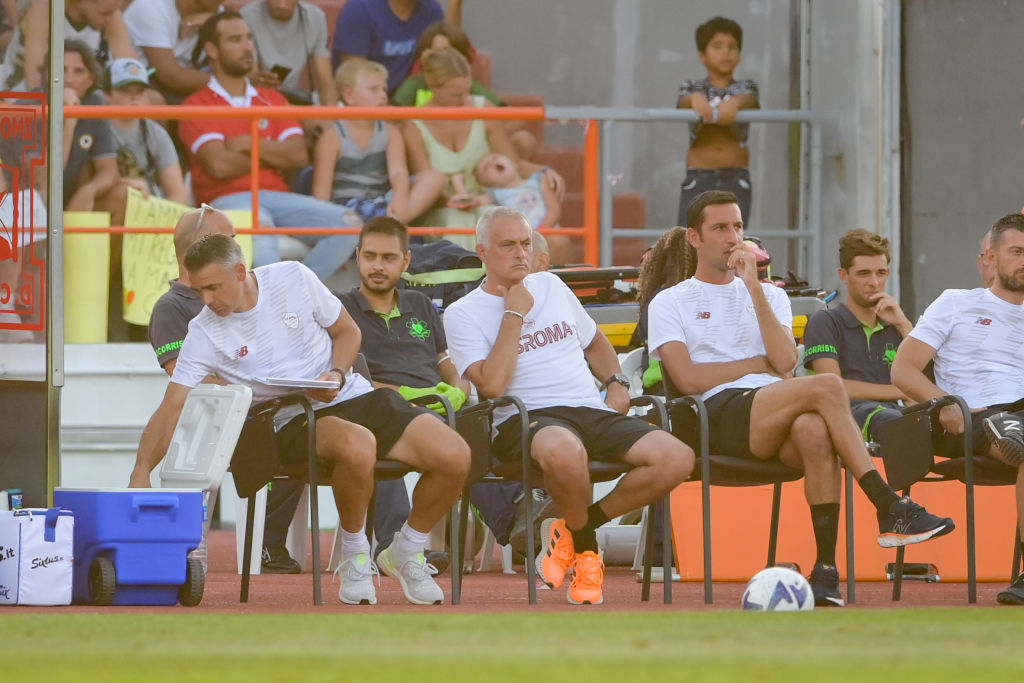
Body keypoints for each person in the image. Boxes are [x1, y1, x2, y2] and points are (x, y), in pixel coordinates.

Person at [646, 190, 954, 607]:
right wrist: (755, 361)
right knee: (827, 385)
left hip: (770, 407)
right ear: (694, 238)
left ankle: (825, 572)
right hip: (710, 418)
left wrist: (753, 287)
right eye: (719, 228)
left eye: (737, 227)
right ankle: (888, 504)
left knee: (813, 430)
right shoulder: (671, 300)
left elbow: (787, 360)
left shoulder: (770, 296)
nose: (732, 237)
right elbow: (687, 379)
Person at [130, 232, 470, 605]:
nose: (207, 301)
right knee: (358, 444)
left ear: (241, 271)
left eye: (213, 288)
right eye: (199, 291)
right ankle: (355, 556)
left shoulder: (293, 276)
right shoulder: (202, 331)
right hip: (283, 420)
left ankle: (406, 549)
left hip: (348, 392)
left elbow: (347, 332)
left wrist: (337, 374)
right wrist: (141, 472)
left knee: (454, 454)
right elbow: (172, 407)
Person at [444, 206, 695, 605]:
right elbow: (492, 384)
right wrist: (513, 312)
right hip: (525, 419)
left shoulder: (554, 287)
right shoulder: (463, 313)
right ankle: (589, 552)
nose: (520, 254)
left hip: (587, 409)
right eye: (508, 245)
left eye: (525, 244)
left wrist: (616, 380)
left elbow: (595, 343)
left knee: (677, 457)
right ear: (482, 252)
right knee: (565, 451)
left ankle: (572, 529)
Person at [339, 216, 551, 559]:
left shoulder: (420, 304)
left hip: (440, 405)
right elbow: (344, 374)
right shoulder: (341, 308)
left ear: (406, 261)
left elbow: (443, 358)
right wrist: (396, 393)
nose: (378, 266)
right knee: (380, 432)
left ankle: (519, 522)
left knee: (479, 425)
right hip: (380, 405)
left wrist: (458, 385)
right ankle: (396, 543)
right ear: (358, 256)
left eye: (389, 258)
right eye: (370, 256)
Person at [146, 206, 305, 574]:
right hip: (211, 422)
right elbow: (185, 379)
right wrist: (255, 387)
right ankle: (213, 542)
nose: (238, 245)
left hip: (266, 412)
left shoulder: (249, 295)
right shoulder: (171, 309)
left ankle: (269, 540)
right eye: (229, 238)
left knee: (307, 429)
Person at [891, 213, 1024, 605]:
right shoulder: (957, 303)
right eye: (1016, 251)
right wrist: (942, 401)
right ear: (992, 257)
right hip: (972, 416)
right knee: (1011, 429)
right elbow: (903, 369)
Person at [178, 11, 361, 282]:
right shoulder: (196, 105)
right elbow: (219, 166)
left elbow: (298, 155)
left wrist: (247, 144)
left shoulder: (272, 99)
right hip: (227, 199)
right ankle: (275, 311)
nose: (247, 46)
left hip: (276, 196)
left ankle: (295, 293)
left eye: (249, 38)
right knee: (261, 236)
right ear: (212, 50)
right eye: (235, 39)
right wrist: (273, 153)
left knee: (351, 226)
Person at [403, 47, 563, 249]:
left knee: (495, 219)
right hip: (442, 210)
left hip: (488, 202)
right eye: (455, 95)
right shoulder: (414, 124)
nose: (463, 100)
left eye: (466, 91)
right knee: (456, 221)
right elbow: (424, 184)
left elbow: (513, 163)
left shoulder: (483, 107)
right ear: (432, 86)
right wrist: (457, 200)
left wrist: (544, 171)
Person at [803, 229, 913, 443]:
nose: (874, 282)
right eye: (864, 273)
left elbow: (922, 384)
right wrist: (900, 391)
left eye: (881, 273)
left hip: (896, 416)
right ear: (843, 276)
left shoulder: (896, 326)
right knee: (892, 421)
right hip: (847, 415)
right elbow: (832, 387)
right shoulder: (824, 322)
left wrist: (903, 323)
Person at [311, 58, 444, 225]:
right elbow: (321, 196)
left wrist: (400, 199)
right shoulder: (333, 137)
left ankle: (394, 223)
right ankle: (387, 228)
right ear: (349, 95)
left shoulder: (389, 131)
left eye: (384, 89)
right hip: (347, 210)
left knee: (434, 177)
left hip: (383, 204)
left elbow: (398, 172)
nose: (382, 95)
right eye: (373, 89)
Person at [391, 21, 535, 160]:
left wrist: (483, 137)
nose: (446, 59)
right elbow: (390, 118)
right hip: (425, 153)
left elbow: (516, 118)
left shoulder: (469, 86)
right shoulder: (414, 85)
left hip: (468, 153)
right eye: (438, 53)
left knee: (524, 139)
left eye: (450, 53)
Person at [676, 16, 759, 226]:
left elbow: (751, 99)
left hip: (735, 175)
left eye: (732, 47)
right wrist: (695, 100)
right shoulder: (692, 87)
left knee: (734, 237)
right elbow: (682, 102)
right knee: (690, 237)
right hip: (699, 175)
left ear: (739, 55)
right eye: (717, 46)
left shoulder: (745, 87)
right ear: (702, 55)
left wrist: (736, 103)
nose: (725, 52)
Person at [97, 58, 188, 225]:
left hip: (148, 214)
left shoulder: (156, 133)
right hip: (105, 210)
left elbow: (177, 192)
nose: (134, 97)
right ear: (107, 94)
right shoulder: (95, 127)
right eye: (125, 90)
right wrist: (127, 184)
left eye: (140, 91)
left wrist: (163, 222)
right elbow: (89, 182)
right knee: (122, 195)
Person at [330, 0, 461, 95]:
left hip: (408, 101)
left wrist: (455, 3)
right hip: (368, 106)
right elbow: (353, 76)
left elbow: (449, 60)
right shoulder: (359, 9)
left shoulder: (431, 9)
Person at [0, 0, 136, 92]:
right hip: (20, 92)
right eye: (105, 13)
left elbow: (132, 72)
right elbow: (34, 80)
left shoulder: (109, 13)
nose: (111, 18)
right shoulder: (44, 9)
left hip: (79, 93)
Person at [240, 0, 338, 107]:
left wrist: (332, 119)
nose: (282, 5)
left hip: (295, 99)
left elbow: (325, 81)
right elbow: (253, 79)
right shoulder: (246, 17)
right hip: (259, 100)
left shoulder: (315, 18)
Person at [124, 0, 222, 99]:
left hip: (185, 88)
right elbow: (171, 77)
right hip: (140, 85)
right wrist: (229, 82)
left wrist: (215, 20)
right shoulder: (150, 6)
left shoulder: (216, 13)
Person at [63, 40, 120, 211]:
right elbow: (44, 180)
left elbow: (109, 171)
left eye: (78, 71)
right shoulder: (32, 104)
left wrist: (89, 190)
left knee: (121, 195)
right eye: (61, 70)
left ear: (91, 79)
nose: (68, 79)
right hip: (27, 201)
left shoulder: (94, 102)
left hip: (70, 199)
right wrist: (69, 121)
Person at [475, 152, 562, 235]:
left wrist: (539, 233)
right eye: (486, 168)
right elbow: (473, 202)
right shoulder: (496, 194)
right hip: (522, 241)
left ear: (515, 165)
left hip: (548, 232)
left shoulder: (539, 179)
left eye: (495, 157)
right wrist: (461, 185)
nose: (492, 162)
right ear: (486, 184)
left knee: (559, 239)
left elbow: (554, 209)